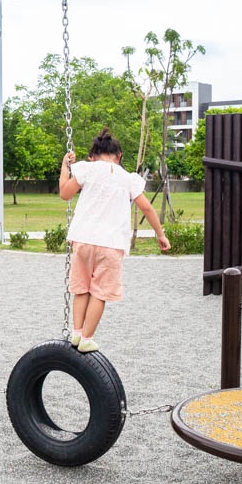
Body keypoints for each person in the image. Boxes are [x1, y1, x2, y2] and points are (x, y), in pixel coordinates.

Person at [58, 128, 171, 353]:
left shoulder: (86, 169)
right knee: (99, 292)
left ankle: (77, 332)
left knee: (81, 288)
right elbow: (146, 208)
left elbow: (64, 193)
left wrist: (64, 167)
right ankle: (88, 338)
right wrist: (160, 234)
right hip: (111, 243)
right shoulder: (128, 178)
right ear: (119, 156)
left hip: (82, 239)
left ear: (92, 156)